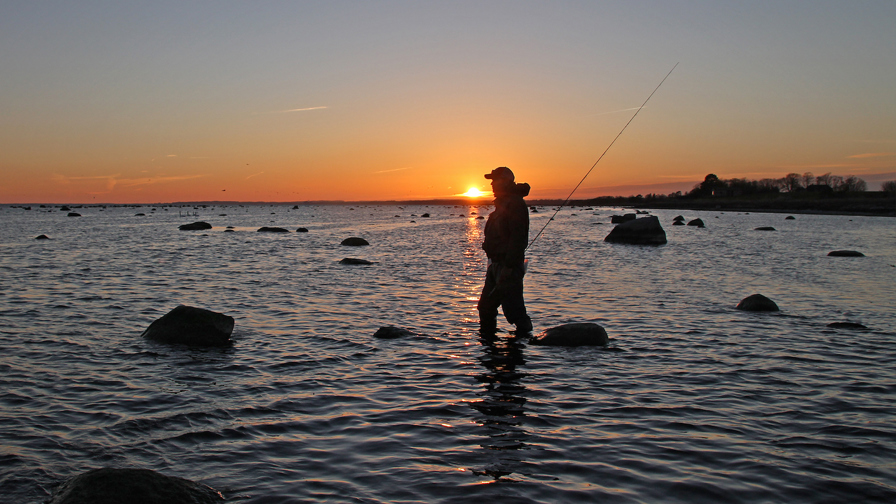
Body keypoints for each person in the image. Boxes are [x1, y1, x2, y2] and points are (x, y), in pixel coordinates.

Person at [477, 167, 533, 335]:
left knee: (514, 312)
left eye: (496, 180)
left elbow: (518, 239)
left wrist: (509, 267)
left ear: (506, 181)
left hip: (509, 267)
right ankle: (488, 348)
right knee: (485, 308)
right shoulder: (501, 204)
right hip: (494, 266)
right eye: (492, 181)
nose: (492, 184)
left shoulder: (515, 204)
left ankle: (522, 347)